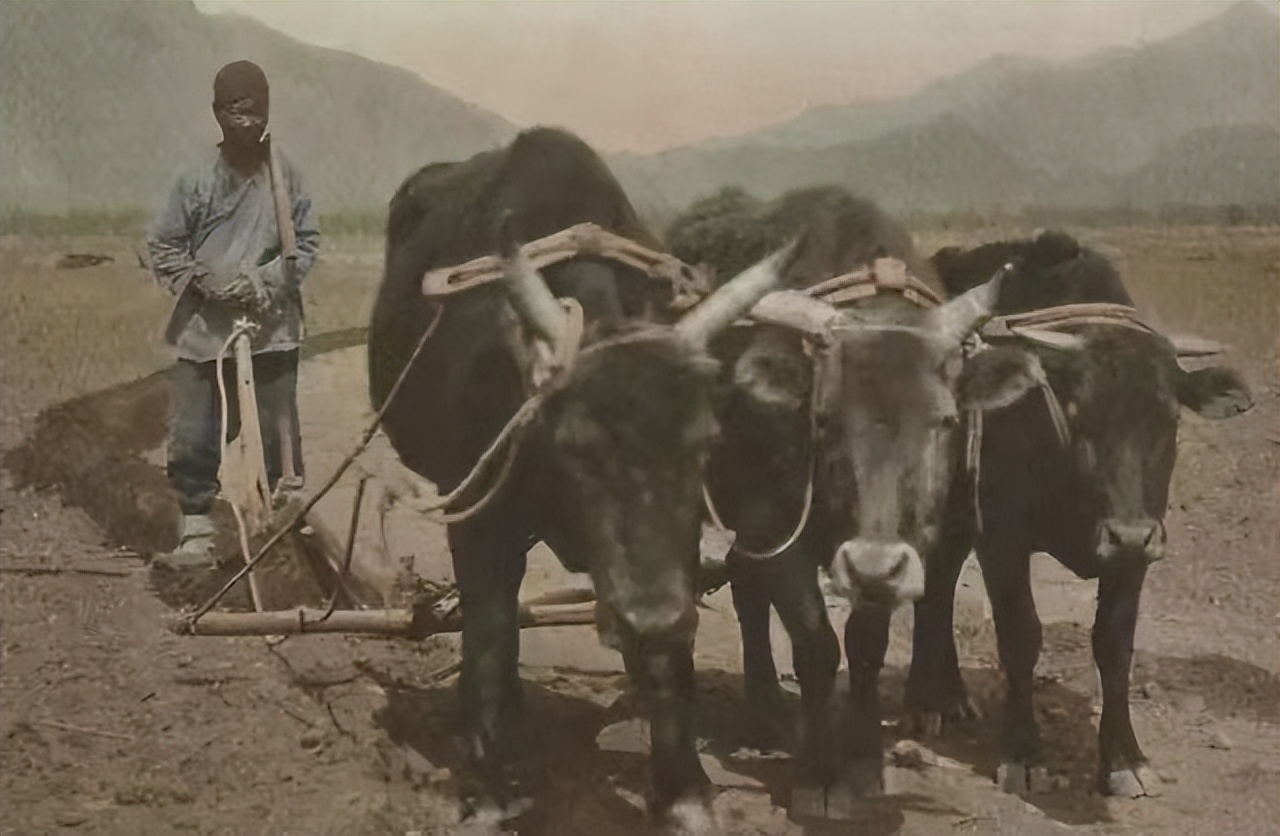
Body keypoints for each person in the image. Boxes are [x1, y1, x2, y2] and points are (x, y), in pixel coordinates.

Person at [147, 60, 320, 570]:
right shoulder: (196, 177)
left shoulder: (286, 175)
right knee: (193, 433)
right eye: (235, 112)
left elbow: (306, 244)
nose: (247, 122)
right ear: (217, 113)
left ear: (268, 111)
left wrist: (264, 281)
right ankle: (197, 533)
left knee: (278, 437)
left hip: (272, 325)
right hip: (206, 330)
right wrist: (208, 281)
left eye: (255, 111)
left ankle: (284, 537)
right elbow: (164, 246)